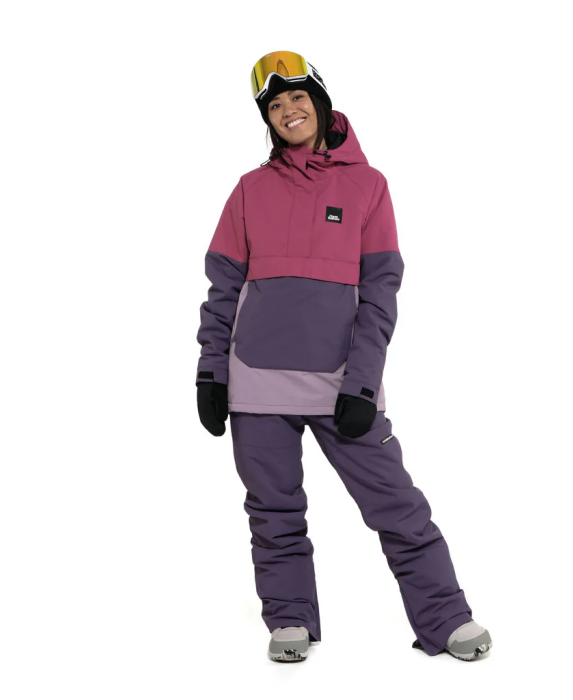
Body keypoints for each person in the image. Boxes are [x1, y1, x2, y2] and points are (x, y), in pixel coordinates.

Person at [195, 50, 492, 663]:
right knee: (273, 510)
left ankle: (445, 618)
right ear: (266, 119)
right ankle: (289, 618)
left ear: (320, 101)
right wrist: (210, 372)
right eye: (275, 105)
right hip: (256, 383)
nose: (288, 110)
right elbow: (222, 288)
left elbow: (381, 293)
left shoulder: (367, 185)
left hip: (341, 384)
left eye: (297, 97)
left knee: (397, 505)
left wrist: (362, 381)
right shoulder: (249, 189)